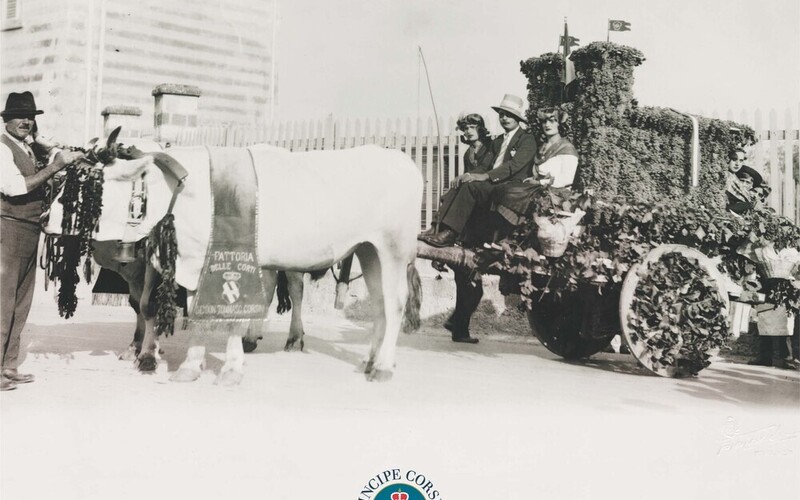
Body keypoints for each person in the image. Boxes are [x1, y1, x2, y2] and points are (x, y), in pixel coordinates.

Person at [1, 91, 83, 391]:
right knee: (2, 304)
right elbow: (14, 188)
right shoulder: (2, 147)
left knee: (20, 305)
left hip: (28, 230)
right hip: (7, 230)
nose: (26, 121)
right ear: (6, 120)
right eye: (19, 116)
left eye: (30, 117)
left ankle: (9, 367)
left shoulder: (28, 148)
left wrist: (49, 154)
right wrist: (55, 166)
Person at [419, 94, 537, 248]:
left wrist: (485, 176)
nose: (504, 118)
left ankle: (451, 234)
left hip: (511, 185)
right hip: (493, 184)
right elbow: (486, 165)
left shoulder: (527, 139)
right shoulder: (498, 141)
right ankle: (437, 227)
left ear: (517, 118)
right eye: (502, 115)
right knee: (462, 183)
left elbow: (513, 166)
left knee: (471, 186)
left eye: (509, 115)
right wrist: (467, 175)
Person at [420, 113, 496, 343]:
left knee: (472, 285)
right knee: (465, 281)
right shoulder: (467, 153)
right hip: (467, 223)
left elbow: (485, 176)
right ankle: (459, 329)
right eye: (465, 128)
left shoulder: (490, 149)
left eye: (472, 127)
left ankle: (457, 324)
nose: (468, 131)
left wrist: (466, 176)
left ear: (481, 129)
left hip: (483, 217)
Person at [491, 107, 579, 228]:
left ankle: (511, 231)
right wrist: (533, 179)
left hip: (556, 192)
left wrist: (539, 182)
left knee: (510, 192)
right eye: (544, 121)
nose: (547, 125)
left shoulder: (567, 148)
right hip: (537, 187)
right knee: (502, 189)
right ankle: (502, 231)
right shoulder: (542, 147)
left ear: (560, 124)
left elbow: (567, 179)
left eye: (552, 121)